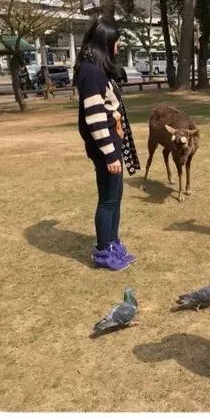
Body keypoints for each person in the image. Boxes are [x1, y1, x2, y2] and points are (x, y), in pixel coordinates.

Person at [75, 19, 140, 271]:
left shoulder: (98, 70)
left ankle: (113, 243)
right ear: (104, 43)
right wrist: (111, 155)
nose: (119, 44)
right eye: (116, 40)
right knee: (108, 200)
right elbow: (94, 119)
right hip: (105, 147)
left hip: (112, 143)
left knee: (115, 198)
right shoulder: (91, 73)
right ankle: (103, 252)